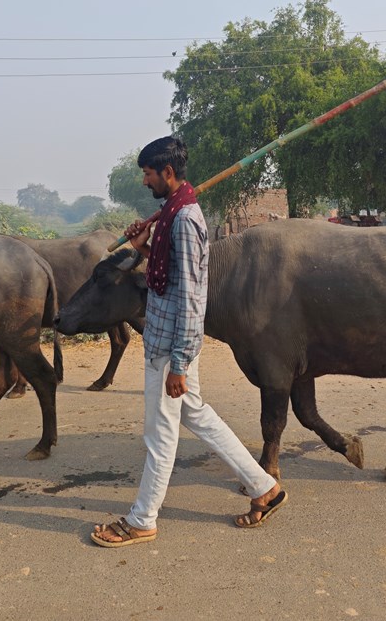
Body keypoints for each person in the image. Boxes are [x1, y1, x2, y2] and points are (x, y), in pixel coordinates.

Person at [91, 136, 287, 548]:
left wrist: (179, 363)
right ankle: (263, 486)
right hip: (166, 342)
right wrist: (142, 247)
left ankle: (142, 519)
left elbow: (193, 297)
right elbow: (168, 277)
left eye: (147, 174)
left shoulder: (184, 220)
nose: (144, 181)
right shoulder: (172, 213)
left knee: (159, 437)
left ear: (167, 172)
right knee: (197, 415)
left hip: (170, 349)